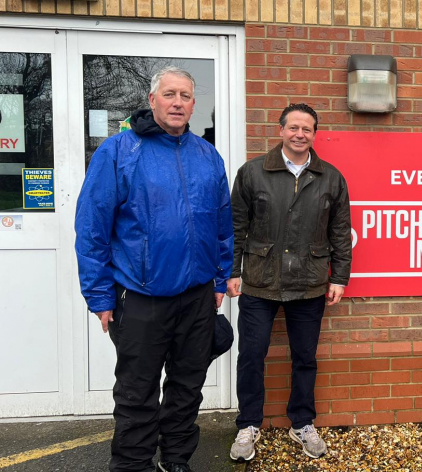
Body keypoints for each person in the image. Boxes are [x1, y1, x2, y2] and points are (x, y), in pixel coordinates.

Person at [75, 66, 233, 472]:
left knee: (186, 390)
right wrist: (99, 295)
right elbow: (92, 227)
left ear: (194, 104)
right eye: (169, 94)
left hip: (196, 297)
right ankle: (132, 465)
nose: (177, 102)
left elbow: (221, 223)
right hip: (140, 298)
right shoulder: (118, 151)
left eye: (185, 96)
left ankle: (176, 461)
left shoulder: (207, 155)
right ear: (152, 100)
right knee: (136, 393)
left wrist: (219, 277)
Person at [227, 103, 352, 461]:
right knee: (251, 356)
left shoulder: (331, 177)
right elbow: (236, 227)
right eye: (293, 127)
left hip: (310, 281)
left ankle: (302, 422)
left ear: (315, 134)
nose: (300, 134)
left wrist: (339, 277)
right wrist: (233, 272)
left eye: (307, 129)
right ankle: (248, 424)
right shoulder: (252, 173)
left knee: (304, 357)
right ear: (280, 130)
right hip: (259, 281)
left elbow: (340, 232)